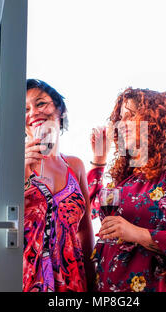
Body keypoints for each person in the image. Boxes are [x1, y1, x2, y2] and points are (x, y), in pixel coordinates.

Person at [88, 87, 166, 292]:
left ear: (155, 122)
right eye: (121, 118)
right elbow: (91, 210)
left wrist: (137, 234)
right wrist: (98, 161)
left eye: (131, 116)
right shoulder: (125, 179)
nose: (122, 124)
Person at [23, 79, 95, 292]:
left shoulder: (75, 165)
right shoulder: (11, 162)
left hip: (73, 282)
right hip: (24, 279)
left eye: (40, 103)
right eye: (24, 109)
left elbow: (85, 230)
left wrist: (92, 282)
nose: (33, 112)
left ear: (60, 110)